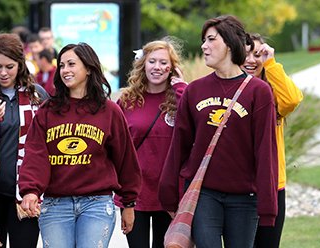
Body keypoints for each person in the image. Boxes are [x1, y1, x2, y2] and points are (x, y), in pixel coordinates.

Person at [158, 15, 278, 248]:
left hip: (245, 198)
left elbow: (266, 151)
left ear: (230, 42)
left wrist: (268, 207)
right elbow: (179, 146)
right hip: (204, 194)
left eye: (211, 39)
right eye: (203, 40)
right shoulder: (195, 90)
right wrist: (169, 192)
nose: (204, 45)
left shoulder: (259, 92)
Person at [18, 42, 142, 248]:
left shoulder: (109, 111)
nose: (65, 70)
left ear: (89, 68)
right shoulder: (47, 111)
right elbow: (35, 154)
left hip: (97, 203)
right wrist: (31, 190)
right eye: (62, 65)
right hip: (56, 204)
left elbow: (125, 159)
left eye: (71, 64)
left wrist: (128, 203)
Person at [0, 33, 50, 248]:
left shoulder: (38, 96)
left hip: (26, 194)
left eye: (9, 67)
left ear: (20, 65)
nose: (3, 73)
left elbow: (47, 143)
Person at [116, 38, 187, 248]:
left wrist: (181, 88)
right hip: (135, 192)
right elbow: (116, 146)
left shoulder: (182, 96)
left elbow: (195, 127)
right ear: (143, 64)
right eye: (152, 61)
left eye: (164, 62)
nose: (158, 67)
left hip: (170, 193)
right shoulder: (126, 100)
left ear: (172, 67)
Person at [242, 34, 303, 248]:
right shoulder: (225, 92)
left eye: (257, 54)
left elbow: (292, 99)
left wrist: (271, 62)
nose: (251, 60)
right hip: (236, 188)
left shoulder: (273, 95)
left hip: (271, 186)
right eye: (246, 53)